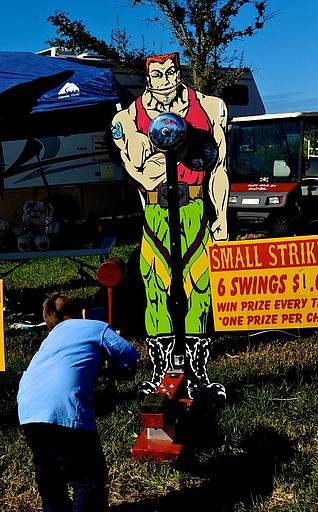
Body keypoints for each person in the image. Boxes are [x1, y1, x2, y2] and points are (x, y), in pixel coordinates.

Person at [110, 52, 229, 399]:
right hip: (156, 211)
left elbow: (218, 167)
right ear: (147, 77)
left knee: (200, 287)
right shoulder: (127, 117)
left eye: (170, 71)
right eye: (157, 73)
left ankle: (198, 372)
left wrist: (221, 218)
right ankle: (162, 370)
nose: (164, 78)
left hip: (194, 207)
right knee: (155, 287)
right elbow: (139, 168)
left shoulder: (209, 106)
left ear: (179, 72)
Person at [17, 293, 139, 512]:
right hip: (67, 408)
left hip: (28, 407)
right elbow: (130, 357)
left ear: (50, 323)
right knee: (89, 480)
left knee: (46, 464)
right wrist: (114, 366)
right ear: (82, 312)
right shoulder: (96, 327)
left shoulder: (48, 341)